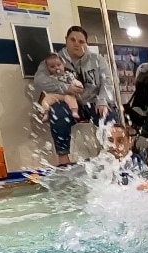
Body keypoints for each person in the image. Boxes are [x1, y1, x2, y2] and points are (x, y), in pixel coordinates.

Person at [33, 26, 118, 166]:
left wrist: (103, 100)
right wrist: (65, 88)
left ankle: (114, 154)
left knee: (110, 115)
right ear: (66, 40)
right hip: (67, 102)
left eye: (81, 41)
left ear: (86, 44)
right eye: (73, 40)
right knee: (57, 113)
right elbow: (39, 80)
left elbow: (108, 82)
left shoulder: (98, 60)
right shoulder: (54, 60)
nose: (77, 44)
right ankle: (63, 158)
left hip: (93, 101)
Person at [37, 54, 83, 122]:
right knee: (45, 100)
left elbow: (74, 81)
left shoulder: (68, 75)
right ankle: (45, 113)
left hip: (67, 94)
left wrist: (79, 86)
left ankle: (74, 112)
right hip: (55, 95)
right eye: (52, 67)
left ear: (63, 65)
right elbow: (49, 86)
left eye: (59, 65)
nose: (56, 68)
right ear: (48, 69)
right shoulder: (51, 78)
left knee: (71, 99)